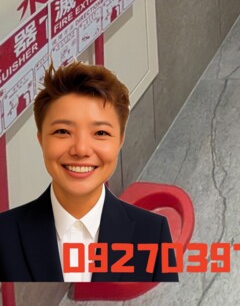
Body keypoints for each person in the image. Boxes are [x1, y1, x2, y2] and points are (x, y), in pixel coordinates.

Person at [0, 62, 178, 283]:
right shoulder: (5, 235)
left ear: (120, 141)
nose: (81, 149)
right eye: (63, 131)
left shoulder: (153, 234)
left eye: (100, 133)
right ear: (41, 140)